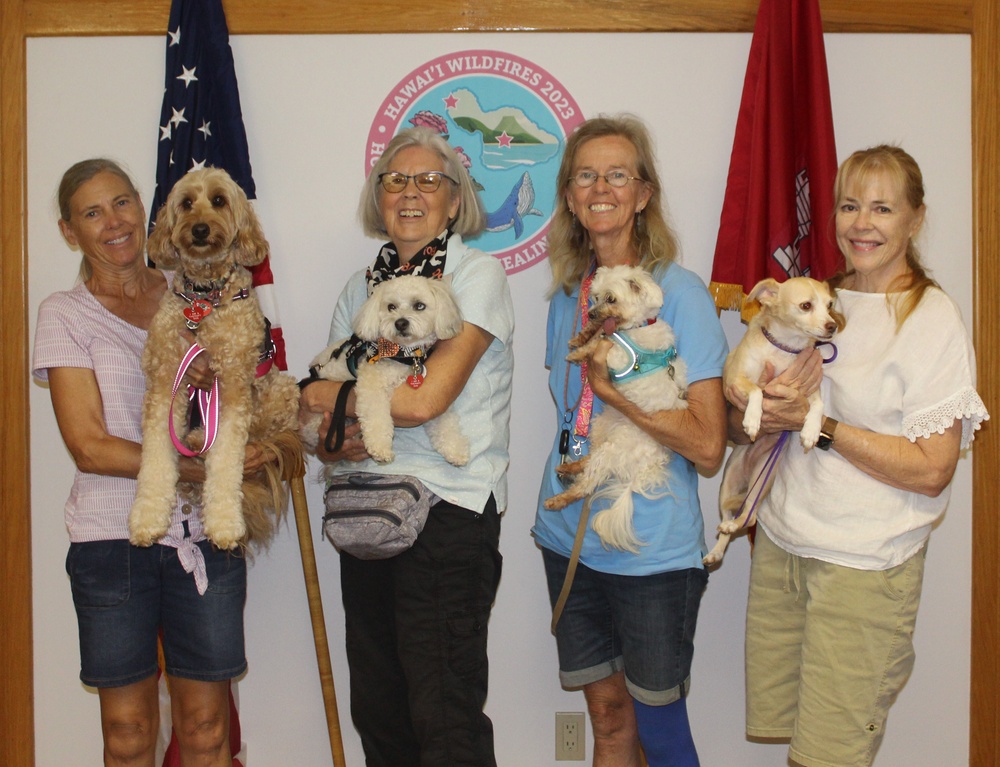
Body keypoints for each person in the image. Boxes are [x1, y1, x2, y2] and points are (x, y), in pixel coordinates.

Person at [731, 145, 989, 767]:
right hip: (786, 550)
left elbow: (932, 469)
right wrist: (754, 408)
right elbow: (754, 416)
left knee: (828, 758)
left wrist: (822, 430)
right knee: (798, 747)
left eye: (882, 208)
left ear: (916, 219)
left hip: (864, 570)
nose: (862, 223)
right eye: (849, 206)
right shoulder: (820, 298)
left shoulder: (932, 319)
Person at [32, 158, 277, 767]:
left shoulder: (200, 296)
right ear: (70, 232)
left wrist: (263, 446)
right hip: (111, 540)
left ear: (146, 210)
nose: (112, 222)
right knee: (130, 734)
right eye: (92, 213)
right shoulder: (62, 314)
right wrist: (203, 468)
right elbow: (89, 446)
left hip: (202, 538)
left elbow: (242, 397)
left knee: (205, 730)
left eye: (121, 203)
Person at [299, 126, 514, 767]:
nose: (411, 193)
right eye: (395, 180)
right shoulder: (358, 288)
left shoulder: (478, 276)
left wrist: (329, 401)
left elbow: (424, 402)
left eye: (429, 181)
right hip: (363, 510)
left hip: (448, 509)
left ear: (455, 201)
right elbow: (320, 425)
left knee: (443, 711)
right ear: (379, 198)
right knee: (379, 710)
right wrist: (328, 413)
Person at [532, 114, 729, 767]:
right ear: (568, 195)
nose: (601, 187)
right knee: (608, 718)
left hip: (652, 553)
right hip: (568, 540)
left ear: (643, 193)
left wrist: (618, 395)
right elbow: (570, 413)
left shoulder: (680, 294)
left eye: (619, 174)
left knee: (661, 729)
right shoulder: (567, 296)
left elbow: (707, 446)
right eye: (586, 175)